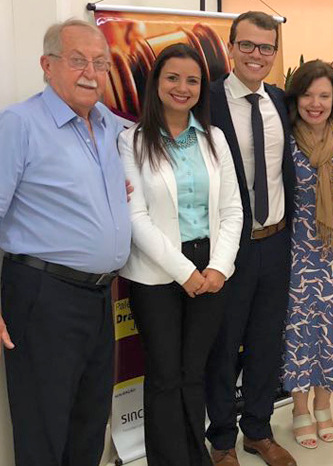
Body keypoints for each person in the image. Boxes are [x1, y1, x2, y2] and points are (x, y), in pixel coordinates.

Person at [0, 19, 131, 466]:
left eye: (100, 63)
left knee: (89, 424)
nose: (91, 73)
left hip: (99, 296)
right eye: (78, 61)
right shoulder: (19, 124)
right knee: (44, 428)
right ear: (47, 64)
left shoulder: (111, 126)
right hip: (43, 296)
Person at [118, 43, 243, 466]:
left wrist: (219, 267)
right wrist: (185, 271)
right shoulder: (132, 141)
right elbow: (136, 217)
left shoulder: (215, 138)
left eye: (192, 80)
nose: (182, 87)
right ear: (156, 82)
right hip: (156, 273)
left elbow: (232, 209)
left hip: (211, 268)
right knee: (165, 375)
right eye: (172, 77)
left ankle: (195, 457)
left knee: (193, 373)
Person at [204, 11, 297, 466]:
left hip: (276, 242)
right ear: (230, 47)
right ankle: (222, 439)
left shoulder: (279, 100)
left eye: (266, 47)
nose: (256, 55)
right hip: (229, 247)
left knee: (266, 343)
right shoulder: (207, 101)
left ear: (274, 53)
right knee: (224, 346)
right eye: (247, 45)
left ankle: (258, 430)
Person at [281, 60, 333, 449]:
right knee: (298, 330)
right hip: (294, 253)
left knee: (331, 329)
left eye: (324, 96)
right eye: (308, 95)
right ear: (296, 99)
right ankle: (299, 409)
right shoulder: (283, 142)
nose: (316, 103)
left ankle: (323, 405)